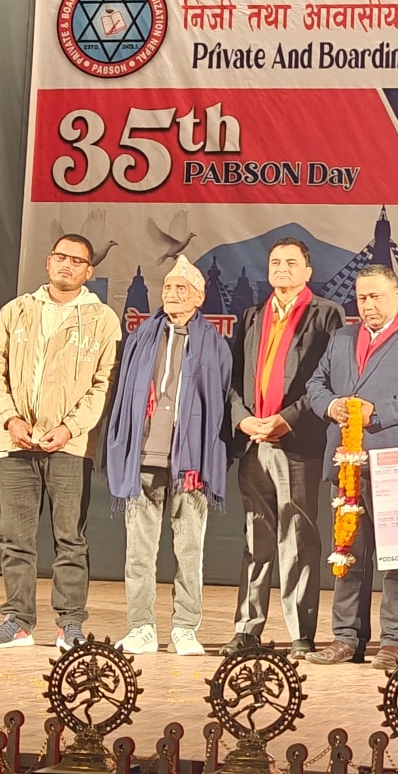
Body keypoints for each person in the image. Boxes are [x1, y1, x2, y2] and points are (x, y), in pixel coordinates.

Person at [0, 234, 121, 650]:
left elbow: (104, 384)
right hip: (16, 442)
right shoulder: (16, 311)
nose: (67, 265)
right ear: (48, 261)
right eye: (61, 257)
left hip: (70, 447)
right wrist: (10, 418)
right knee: (15, 537)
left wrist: (70, 428)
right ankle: (18, 620)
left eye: (77, 261)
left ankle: (70, 624)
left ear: (89, 272)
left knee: (70, 538)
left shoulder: (102, 319)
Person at [304, 265, 398, 670]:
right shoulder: (342, 338)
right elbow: (315, 385)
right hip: (346, 463)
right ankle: (347, 637)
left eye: (376, 296)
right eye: (362, 298)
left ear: (396, 295)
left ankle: (395, 641)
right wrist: (331, 406)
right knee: (348, 553)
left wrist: (375, 413)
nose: (368, 305)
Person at [222, 238, 345, 659]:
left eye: (292, 263)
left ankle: (300, 634)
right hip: (253, 441)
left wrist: (286, 419)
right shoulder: (252, 315)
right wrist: (243, 419)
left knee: (298, 538)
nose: (282, 269)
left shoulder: (326, 314)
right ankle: (247, 628)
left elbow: (328, 381)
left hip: (296, 441)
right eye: (275, 262)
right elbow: (234, 379)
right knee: (255, 537)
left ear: (308, 271)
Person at [103, 256, 232, 656]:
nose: (173, 294)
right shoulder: (141, 337)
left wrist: (208, 458)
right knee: (138, 553)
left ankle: (185, 628)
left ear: (199, 297)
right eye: (168, 287)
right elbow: (122, 394)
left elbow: (220, 405)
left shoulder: (214, 344)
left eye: (182, 289)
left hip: (189, 466)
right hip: (142, 458)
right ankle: (141, 627)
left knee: (189, 551)